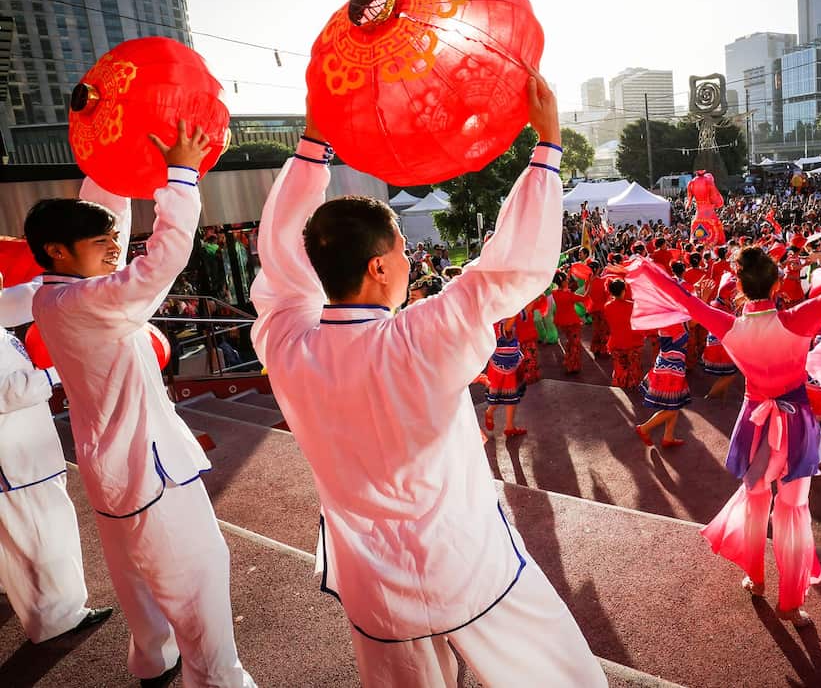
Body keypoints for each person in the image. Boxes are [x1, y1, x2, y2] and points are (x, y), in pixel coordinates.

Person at [250, 76, 604, 687]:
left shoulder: (283, 341)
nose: (412, 262)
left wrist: (312, 148)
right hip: (465, 562)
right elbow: (509, 269)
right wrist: (546, 148)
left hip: (371, 582)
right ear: (380, 264)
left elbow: (280, 261)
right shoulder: (419, 336)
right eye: (404, 251)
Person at [25, 123, 254, 687]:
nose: (113, 251)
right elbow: (161, 262)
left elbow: (111, 225)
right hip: (148, 474)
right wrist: (180, 175)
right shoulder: (88, 300)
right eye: (101, 246)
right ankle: (219, 680)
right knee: (199, 581)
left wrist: (113, 156)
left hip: (116, 474)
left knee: (138, 581)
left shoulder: (54, 294)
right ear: (58, 251)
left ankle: (154, 658)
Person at [625, 242, 821, 627]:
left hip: (755, 424)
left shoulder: (727, 324)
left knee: (756, 500)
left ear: (739, 287)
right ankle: (791, 604)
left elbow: (681, 297)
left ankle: (756, 579)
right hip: (796, 426)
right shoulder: (799, 319)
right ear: (778, 284)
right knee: (793, 510)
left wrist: (642, 266)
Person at [0, 276, 114, 645]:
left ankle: (39, 606)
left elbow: (27, 296)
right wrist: (53, 372)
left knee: (24, 538)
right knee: (44, 534)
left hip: (22, 452)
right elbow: (8, 392)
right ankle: (59, 618)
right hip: (17, 459)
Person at [636, 321, 692, 448]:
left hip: (671, 365)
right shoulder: (671, 320)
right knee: (673, 408)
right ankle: (644, 428)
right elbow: (676, 342)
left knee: (673, 405)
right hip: (670, 369)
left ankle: (668, 437)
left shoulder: (674, 318)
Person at [483, 316, 527, 437]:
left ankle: (509, 427)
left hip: (512, 360)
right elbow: (508, 326)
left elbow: (526, 310)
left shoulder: (507, 312)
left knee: (511, 395)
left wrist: (534, 298)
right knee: (498, 395)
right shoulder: (497, 319)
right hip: (499, 364)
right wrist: (515, 304)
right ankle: (489, 412)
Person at [603, 278, 644, 389]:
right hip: (633, 340)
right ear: (623, 291)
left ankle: (621, 384)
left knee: (619, 367)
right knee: (633, 366)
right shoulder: (632, 306)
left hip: (616, 341)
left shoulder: (607, 306)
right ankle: (632, 384)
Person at [550, 270, 588, 375]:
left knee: (570, 342)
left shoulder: (554, 293)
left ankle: (569, 363)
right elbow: (584, 297)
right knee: (575, 344)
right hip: (572, 322)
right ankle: (573, 365)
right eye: (566, 279)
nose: (568, 280)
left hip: (562, 322)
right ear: (563, 282)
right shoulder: (569, 295)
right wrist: (589, 285)